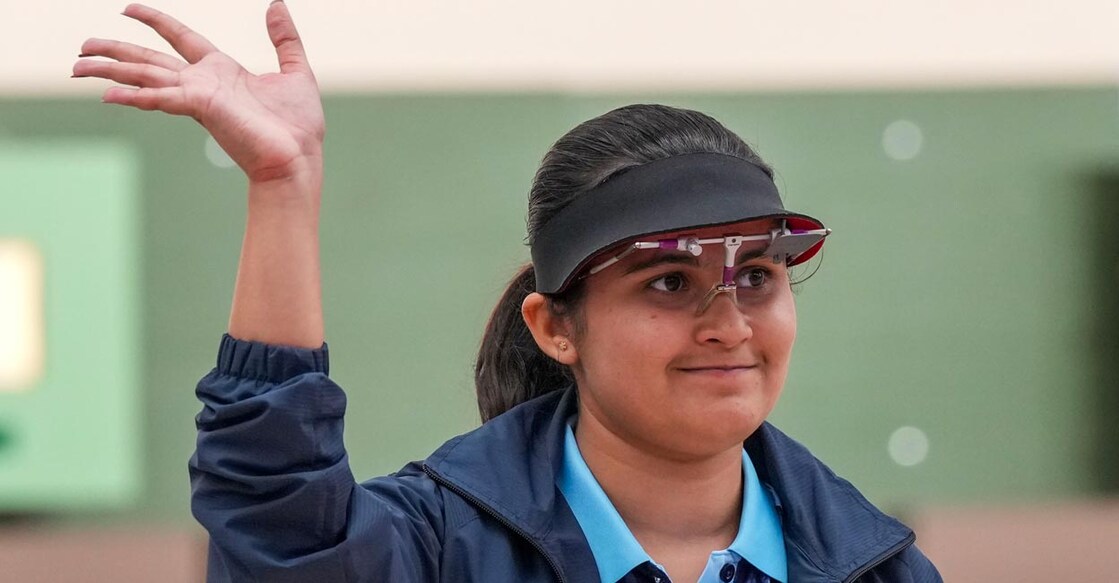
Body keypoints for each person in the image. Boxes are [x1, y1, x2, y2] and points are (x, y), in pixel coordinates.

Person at [75, 3, 942, 582]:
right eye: (669, 281)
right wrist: (283, 184)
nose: (727, 323)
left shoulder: (876, 566)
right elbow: (275, 534)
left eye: (756, 276)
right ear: (554, 325)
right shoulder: (435, 547)